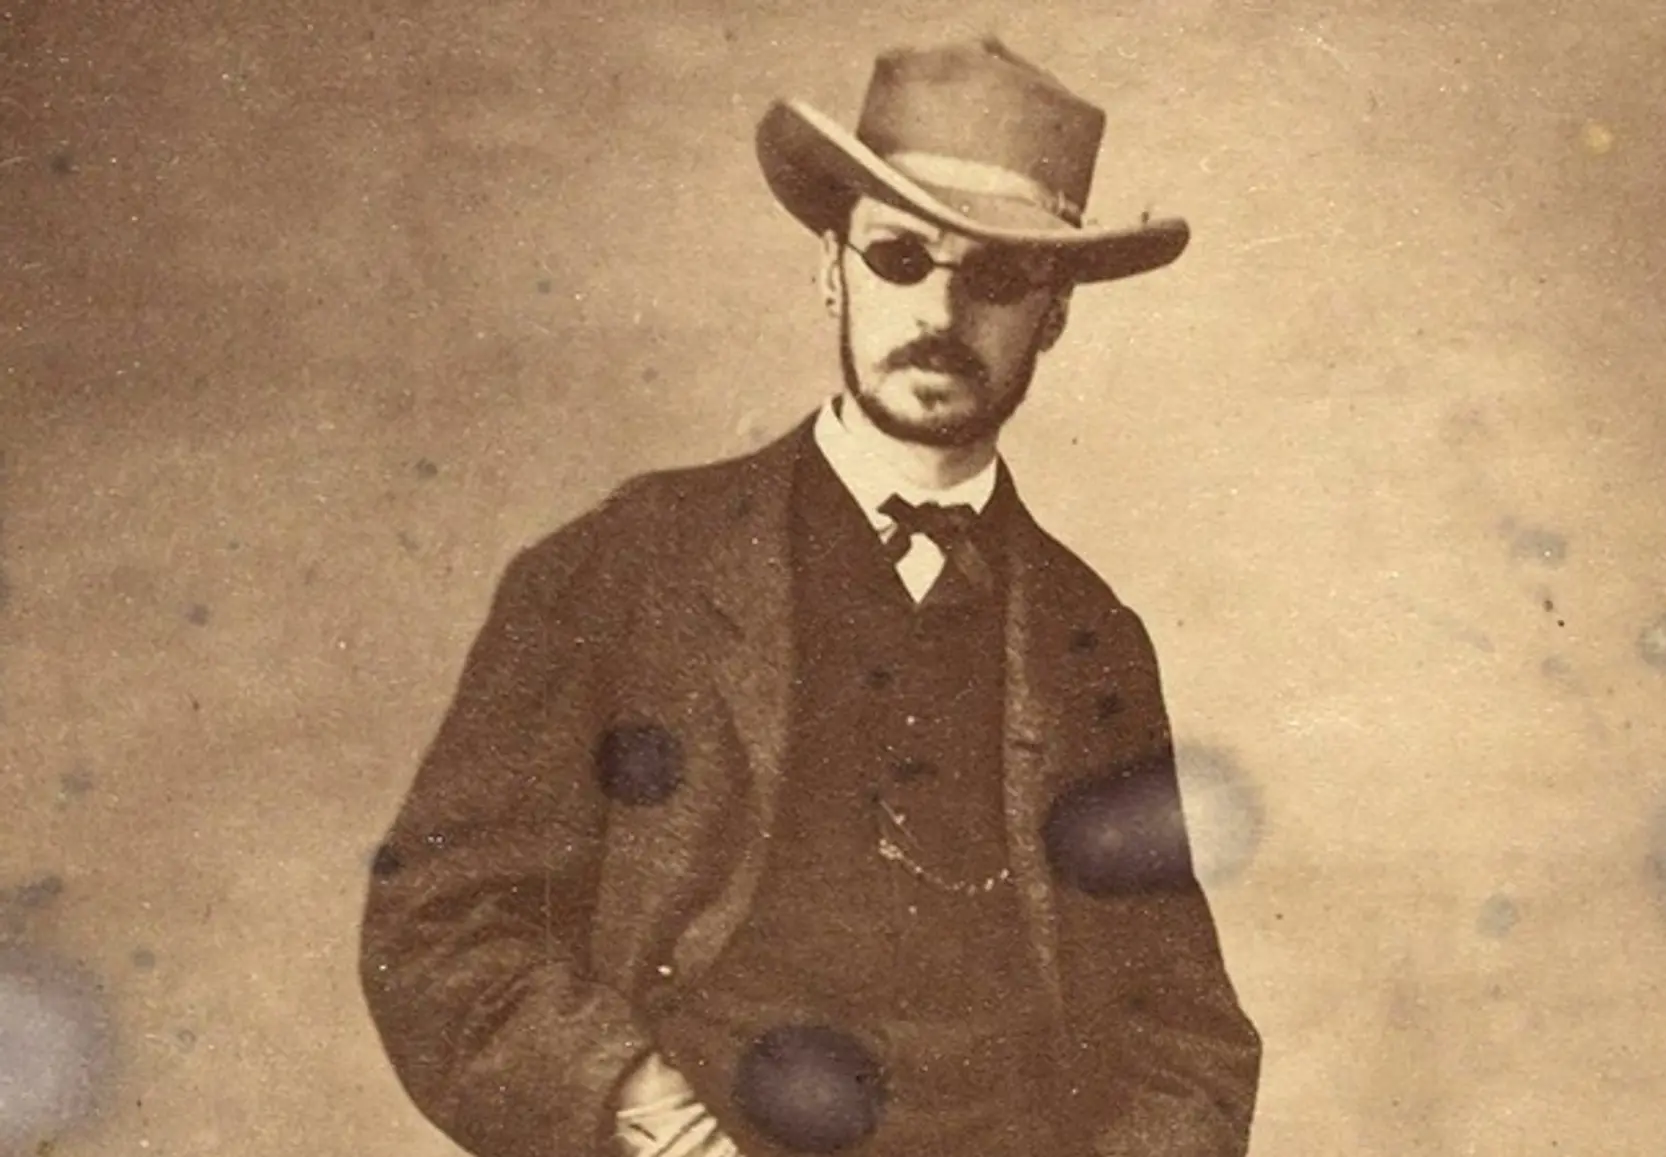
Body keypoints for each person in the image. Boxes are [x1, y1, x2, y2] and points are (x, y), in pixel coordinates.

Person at [358, 35, 1263, 1157]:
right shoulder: (632, 562)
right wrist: (647, 1116)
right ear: (832, 268)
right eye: (899, 258)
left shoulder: (1092, 640)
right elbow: (440, 925)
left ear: (1055, 314)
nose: (941, 312)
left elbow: (1182, 1034)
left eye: (995, 278)